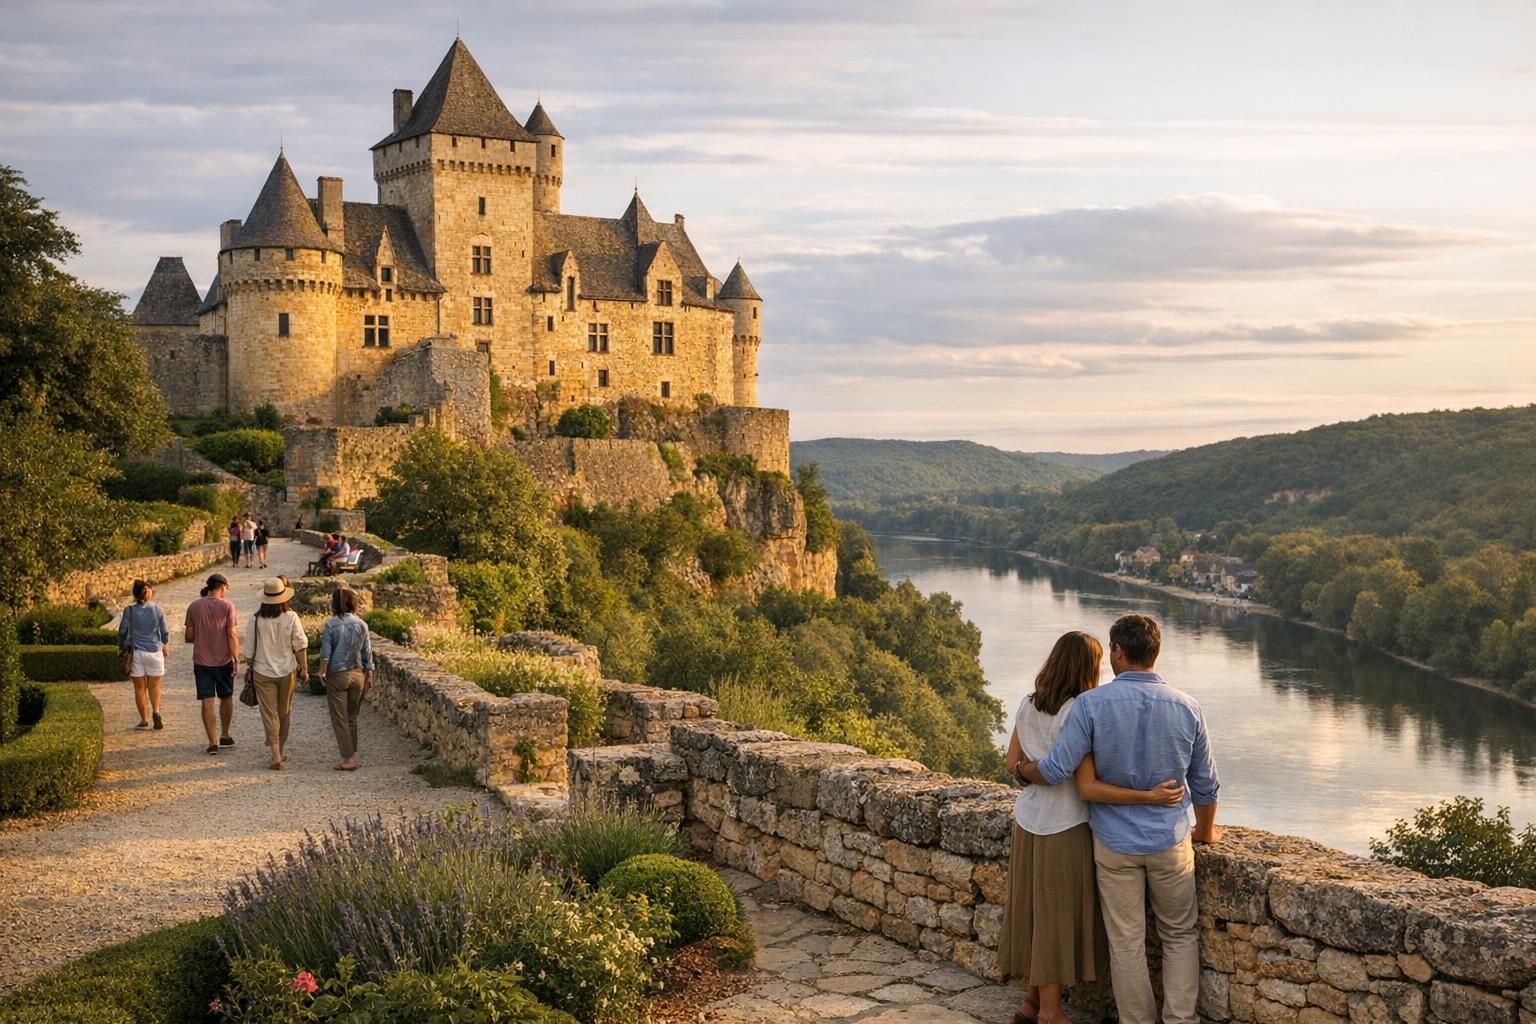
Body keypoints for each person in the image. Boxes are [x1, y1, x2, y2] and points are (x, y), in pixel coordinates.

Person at [1020, 615, 1221, 1024]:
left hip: (1113, 844)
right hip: (1169, 842)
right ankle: (1181, 1020)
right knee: (1180, 934)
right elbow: (1206, 784)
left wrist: (1022, 770)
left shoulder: (1092, 705)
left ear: (1117, 652)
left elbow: (1057, 770)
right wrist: (1205, 830)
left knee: (1126, 941)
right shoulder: (1187, 706)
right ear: (1155, 652)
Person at [242, 578, 309, 770]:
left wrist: (249, 666)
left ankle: (275, 754)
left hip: (262, 672)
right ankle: (281, 750)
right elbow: (300, 644)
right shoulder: (291, 617)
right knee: (284, 712)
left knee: (269, 713)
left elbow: (249, 650)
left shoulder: (255, 619)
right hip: (287, 671)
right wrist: (303, 668)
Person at [184, 572, 240, 755]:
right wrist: (237, 659)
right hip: (223, 660)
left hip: (202, 661)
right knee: (226, 697)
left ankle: (212, 742)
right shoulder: (228, 606)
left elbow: (189, 636)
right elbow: (232, 634)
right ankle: (225, 734)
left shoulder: (193, 606)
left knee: (207, 701)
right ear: (223, 587)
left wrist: (203, 634)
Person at [317, 587, 372, 770]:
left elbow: (326, 653)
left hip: (338, 674)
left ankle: (348, 759)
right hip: (358, 674)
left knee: (339, 718)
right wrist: (369, 674)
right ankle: (352, 754)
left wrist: (322, 672)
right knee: (352, 716)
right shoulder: (362, 624)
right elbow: (367, 653)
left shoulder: (331, 625)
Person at [118, 580, 170, 730]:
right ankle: (156, 712)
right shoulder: (157, 610)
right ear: (149, 592)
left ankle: (144, 720)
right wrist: (164, 644)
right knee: (155, 686)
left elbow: (122, 631)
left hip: (137, 653)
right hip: (155, 652)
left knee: (140, 689)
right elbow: (164, 632)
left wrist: (121, 647)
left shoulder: (129, 611)